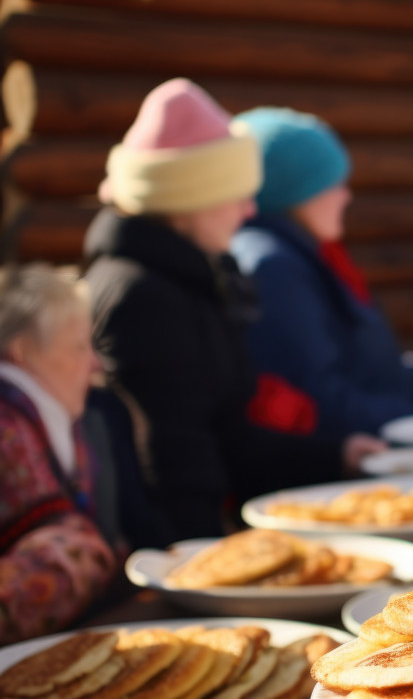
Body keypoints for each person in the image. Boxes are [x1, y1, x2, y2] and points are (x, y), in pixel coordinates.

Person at [84, 79, 385, 543]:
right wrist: (202, 568)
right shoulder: (139, 295)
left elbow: (229, 435)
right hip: (176, 560)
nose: (248, 210)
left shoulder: (191, 276)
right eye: (236, 192)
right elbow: (170, 463)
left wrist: (336, 454)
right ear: (187, 199)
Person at [228, 107, 413, 441]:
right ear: (293, 191)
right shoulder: (273, 268)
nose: (346, 195)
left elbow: (371, 369)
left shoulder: (311, 256)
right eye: (332, 183)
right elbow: (318, 399)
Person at [0, 264, 115, 644]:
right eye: (79, 346)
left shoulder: (58, 424)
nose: (95, 363)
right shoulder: (9, 426)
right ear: (21, 353)